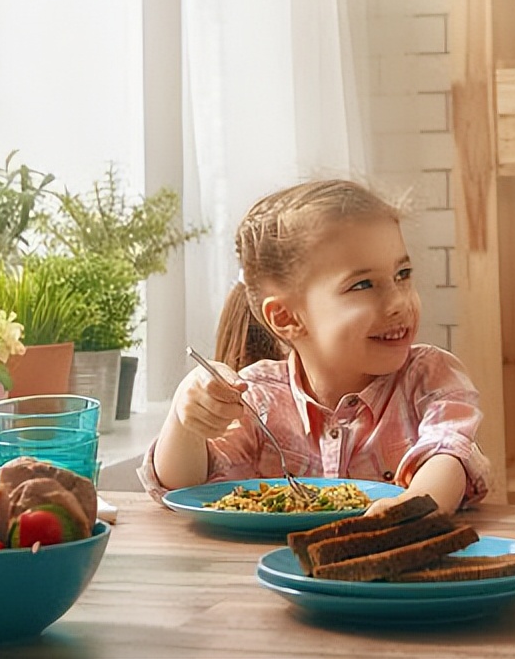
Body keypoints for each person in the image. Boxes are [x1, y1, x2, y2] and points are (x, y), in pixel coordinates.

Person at [140, 179, 490, 515]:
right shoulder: (258, 398)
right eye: (363, 285)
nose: (399, 301)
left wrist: (411, 510)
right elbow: (184, 487)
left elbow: (447, 455)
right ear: (286, 317)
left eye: (403, 274)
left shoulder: (430, 378)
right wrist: (185, 418)